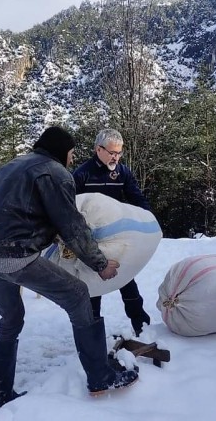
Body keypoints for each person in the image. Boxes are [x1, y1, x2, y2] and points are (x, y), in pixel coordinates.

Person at [0, 126, 138, 411]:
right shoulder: (55, 173)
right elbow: (71, 225)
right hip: (15, 255)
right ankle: (100, 377)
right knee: (77, 295)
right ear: (61, 151)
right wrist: (99, 264)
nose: (72, 160)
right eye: (71, 154)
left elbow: (9, 211)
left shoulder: (8, 167)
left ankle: (0, 394)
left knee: (11, 318)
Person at [72, 128, 152, 336]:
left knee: (126, 278)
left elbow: (136, 198)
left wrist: (150, 219)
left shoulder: (123, 172)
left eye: (119, 152)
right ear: (98, 149)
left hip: (117, 236)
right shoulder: (82, 174)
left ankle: (141, 325)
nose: (116, 157)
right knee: (92, 285)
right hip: (91, 240)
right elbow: (69, 206)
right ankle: (92, 332)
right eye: (112, 152)